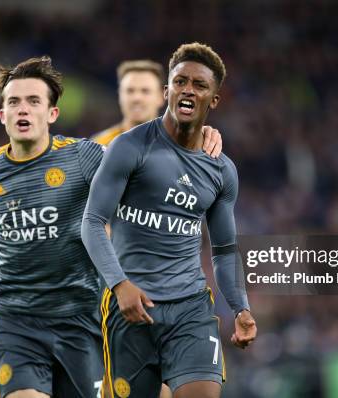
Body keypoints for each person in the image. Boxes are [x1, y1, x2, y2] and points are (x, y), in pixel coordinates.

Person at [0, 55, 223, 398]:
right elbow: (4, 232)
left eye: (33, 101)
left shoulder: (86, 156)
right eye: (14, 102)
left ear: (52, 114)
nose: (23, 109)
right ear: (3, 114)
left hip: (80, 320)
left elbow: (148, 181)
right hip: (16, 322)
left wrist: (196, 134)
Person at [82, 42, 257, 398]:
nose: (188, 90)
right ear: (167, 92)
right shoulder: (129, 147)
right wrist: (119, 284)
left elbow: (224, 250)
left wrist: (240, 306)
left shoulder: (222, 170)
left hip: (190, 309)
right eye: (180, 82)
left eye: (199, 85)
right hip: (131, 310)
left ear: (214, 100)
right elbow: (92, 221)